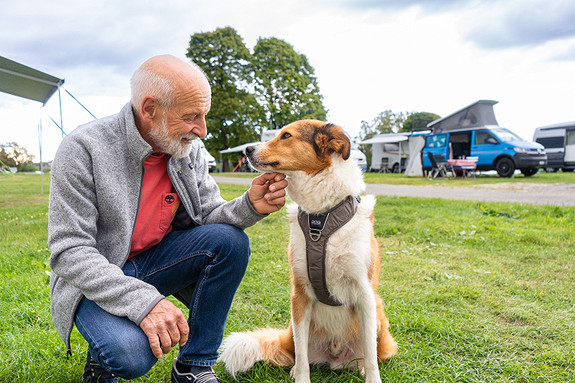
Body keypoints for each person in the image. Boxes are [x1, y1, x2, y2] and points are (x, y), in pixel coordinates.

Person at [48, 55, 288, 383]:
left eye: (204, 116)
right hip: (93, 279)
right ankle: (100, 361)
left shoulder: (187, 149)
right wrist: (144, 302)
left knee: (230, 241)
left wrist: (250, 205)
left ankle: (193, 366)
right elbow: (69, 251)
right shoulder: (83, 148)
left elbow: (207, 217)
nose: (201, 130)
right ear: (149, 109)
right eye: (192, 117)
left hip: (154, 262)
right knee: (130, 355)